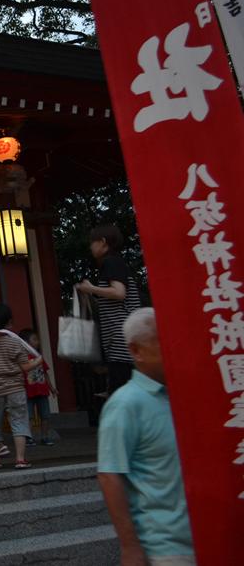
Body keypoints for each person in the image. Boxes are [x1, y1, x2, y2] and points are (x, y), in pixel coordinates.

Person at [97, 308, 195, 565]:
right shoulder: (126, 403)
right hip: (165, 545)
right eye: (161, 340)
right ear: (136, 350)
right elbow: (110, 475)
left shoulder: (185, 394)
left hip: (204, 535)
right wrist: (130, 546)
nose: (173, 346)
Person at [0, 304, 44, 470]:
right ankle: (20, 459)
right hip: (15, 388)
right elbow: (25, 367)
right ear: (9, 322)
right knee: (19, 421)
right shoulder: (14, 341)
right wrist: (38, 361)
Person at [77, 224, 142, 393]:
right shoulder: (116, 263)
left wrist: (91, 289)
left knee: (121, 394)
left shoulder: (111, 262)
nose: (91, 246)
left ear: (103, 242)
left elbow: (119, 293)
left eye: (93, 242)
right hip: (124, 342)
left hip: (121, 342)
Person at [19, 328, 57, 446]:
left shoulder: (39, 357)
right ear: (26, 342)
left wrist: (52, 388)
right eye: (34, 339)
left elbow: (45, 373)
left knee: (45, 415)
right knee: (29, 416)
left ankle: (45, 436)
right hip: (28, 391)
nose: (37, 342)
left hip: (42, 390)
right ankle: (29, 437)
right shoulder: (22, 358)